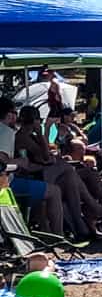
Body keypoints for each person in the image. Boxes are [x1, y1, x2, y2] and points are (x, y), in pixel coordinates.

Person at [0, 96, 69, 237]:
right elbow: (3, 160)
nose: (16, 117)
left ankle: (52, 232)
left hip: (11, 181)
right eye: (15, 113)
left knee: (60, 179)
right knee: (55, 190)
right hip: (6, 186)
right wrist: (20, 162)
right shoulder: (6, 132)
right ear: (9, 115)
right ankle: (58, 236)